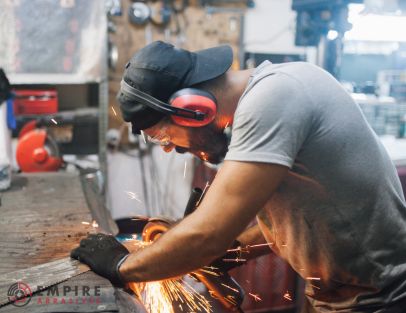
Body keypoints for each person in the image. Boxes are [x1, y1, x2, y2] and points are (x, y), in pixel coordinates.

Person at [71, 41, 406, 312]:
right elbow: (301, 211)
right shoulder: (270, 96)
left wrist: (121, 265)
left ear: (193, 108)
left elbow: (207, 234)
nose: (169, 148)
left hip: (382, 298)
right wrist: (234, 250)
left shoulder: (274, 98)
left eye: (162, 136)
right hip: (341, 297)